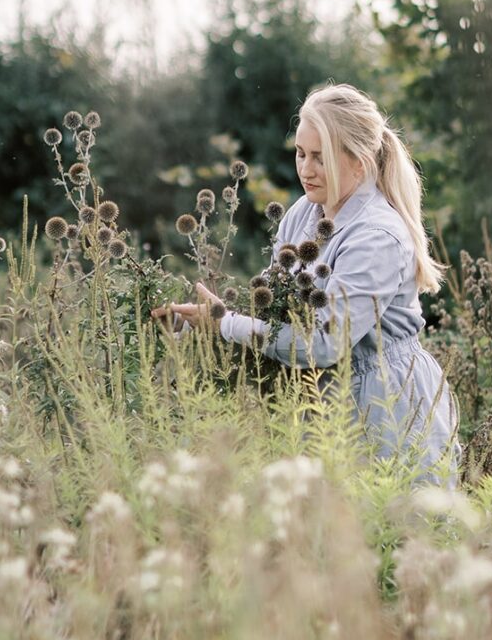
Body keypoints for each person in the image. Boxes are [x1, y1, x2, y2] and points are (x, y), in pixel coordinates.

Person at [158, 83, 460, 487]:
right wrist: (199, 325)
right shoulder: (304, 212)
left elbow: (324, 343)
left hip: (387, 405)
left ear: (359, 161)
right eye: (301, 153)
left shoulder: (377, 237)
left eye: (321, 157)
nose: (306, 169)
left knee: (392, 522)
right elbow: (275, 312)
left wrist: (227, 324)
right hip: (315, 402)